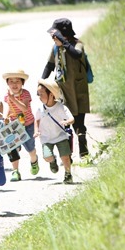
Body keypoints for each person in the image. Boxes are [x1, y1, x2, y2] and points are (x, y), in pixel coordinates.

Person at [42, 18, 90, 158]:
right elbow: (50, 65)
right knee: (66, 123)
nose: (53, 38)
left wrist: (64, 42)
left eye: (55, 35)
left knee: (79, 122)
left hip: (78, 90)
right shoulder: (56, 48)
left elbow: (77, 54)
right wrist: (42, 82)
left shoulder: (77, 44)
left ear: (63, 34)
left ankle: (84, 150)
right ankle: (68, 155)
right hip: (62, 92)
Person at [34, 79, 75, 184]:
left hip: (61, 136)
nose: (39, 97)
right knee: (47, 157)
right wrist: (36, 131)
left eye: (41, 94)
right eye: (38, 94)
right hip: (46, 138)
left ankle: (68, 174)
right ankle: (52, 161)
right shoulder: (40, 108)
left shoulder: (61, 107)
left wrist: (66, 122)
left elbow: (71, 119)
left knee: (65, 157)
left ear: (51, 94)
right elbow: (37, 119)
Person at [2, 69, 40, 181]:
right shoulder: (7, 95)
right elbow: (7, 106)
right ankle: (15, 171)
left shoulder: (26, 94)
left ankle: (34, 161)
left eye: (17, 81)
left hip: (28, 125)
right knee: (13, 148)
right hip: (14, 126)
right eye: (11, 82)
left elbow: (24, 107)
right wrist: (5, 116)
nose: (14, 84)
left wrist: (13, 99)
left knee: (30, 149)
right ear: (7, 83)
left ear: (22, 83)